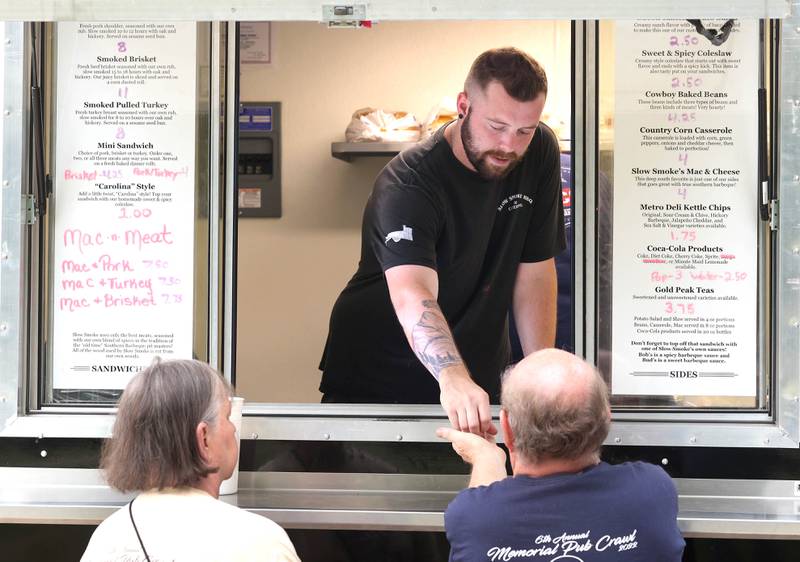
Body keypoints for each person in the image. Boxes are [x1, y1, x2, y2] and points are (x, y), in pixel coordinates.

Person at [320, 47, 565, 435]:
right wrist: (452, 377)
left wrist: (541, 371)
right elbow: (412, 291)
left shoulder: (539, 153)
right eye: (496, 126)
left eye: (524, 130)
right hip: (380, 375)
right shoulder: (409, 183)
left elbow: (534, 268)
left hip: (478, 376)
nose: (508, 145)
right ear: (464, 106)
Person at [438, 349, 685, 562]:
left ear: (507, 429)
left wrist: (486, 459)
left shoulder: (471, 516)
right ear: (606, 420)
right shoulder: (651, 490)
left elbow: (485, 516)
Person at [81, 359, 300, 562]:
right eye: (227, 416)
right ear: (203, 438)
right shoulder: (263, 543)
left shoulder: (106, 539)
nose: (233, 428)